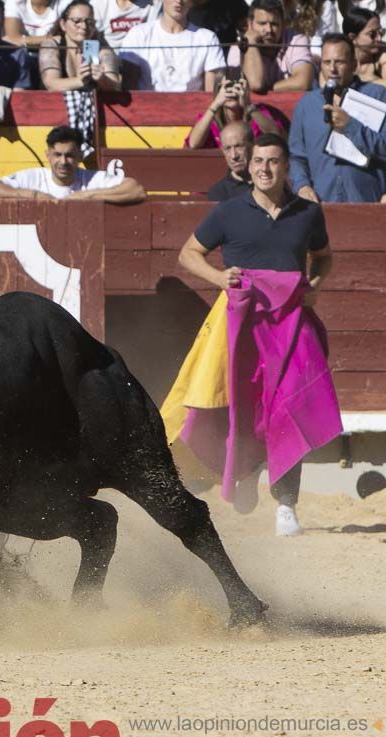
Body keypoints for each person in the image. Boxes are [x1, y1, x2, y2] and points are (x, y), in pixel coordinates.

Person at [177, 133, 335, 537]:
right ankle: (245, 472)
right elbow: (188, 253)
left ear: (285, 167)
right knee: (242, 406)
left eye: (273, 161)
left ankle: (286, 502)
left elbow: (323, 256)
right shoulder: (229, 212)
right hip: (241, 323)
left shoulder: (307, 214)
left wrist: (314, 284)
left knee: (289, 406)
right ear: (249, 166)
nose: (265, 168)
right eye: (258, 161)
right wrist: (218, 276)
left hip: (290, 322)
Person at [289, 34, 386, 203]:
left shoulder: (377, 96)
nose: (332, 69)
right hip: (321, 204)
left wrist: (351, 126)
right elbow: (297, 157)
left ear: (354, 65)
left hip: (369, 203)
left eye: (339, 62)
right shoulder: (307, 105)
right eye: (327, 62)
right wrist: (302, 185)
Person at [0, 125, 147, 202]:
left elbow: (137, 190)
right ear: (48, 155)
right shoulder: (33, 177)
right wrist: (35, 196)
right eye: (57, 155)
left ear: (80, 156)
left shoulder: (92, 179)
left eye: (70, 156)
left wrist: (85, 196)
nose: (63, 162)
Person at [118, 0, 225, 92]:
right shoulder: (138, 34)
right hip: (147, 111)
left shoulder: (207, 38)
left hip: (193, 112)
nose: (179, 1)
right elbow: (129, 87)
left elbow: (211, 93)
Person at [229, 0, 314, 93]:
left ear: (283, 24)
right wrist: (251, 42)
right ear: (250, 24)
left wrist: (268, 90)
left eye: (274, 24)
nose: (269, 30)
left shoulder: (296, 40)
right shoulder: (237, 49)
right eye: (262, 23)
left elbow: (303, 82)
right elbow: (255, 84)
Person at [185, 74, 288, 149]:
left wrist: (248, 106)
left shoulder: (257, 113)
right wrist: (216, 103)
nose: (232, 92)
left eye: (238, 86)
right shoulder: (209, 119)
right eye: (226, 87)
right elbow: (194, 144)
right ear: (218, 91)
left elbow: (275, 136)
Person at [39, 0, 122, 92]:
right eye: (77, 21)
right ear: (63, 24)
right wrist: (79, 81)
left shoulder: (102, 50)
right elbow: (50, 84)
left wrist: (102, 79)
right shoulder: (51, 45)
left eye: (89, 22)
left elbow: (116, 87)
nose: (84, 26)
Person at [207, 119, 254, 200]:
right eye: (227, 148)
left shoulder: (269, 183)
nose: (234, 156)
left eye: (239, 146)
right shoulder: (219, 193)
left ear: (253, 145)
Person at [90, 0, 159, 50]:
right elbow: (91, 38)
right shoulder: (98, 4)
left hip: (140, 57)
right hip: (109, 57)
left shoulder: (153, 4)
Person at [344, 7, 386, 83]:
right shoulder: (341, 59)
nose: (379, 38)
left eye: (381, 32)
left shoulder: (383, 53)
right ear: (352, 37)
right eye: (372, 34)